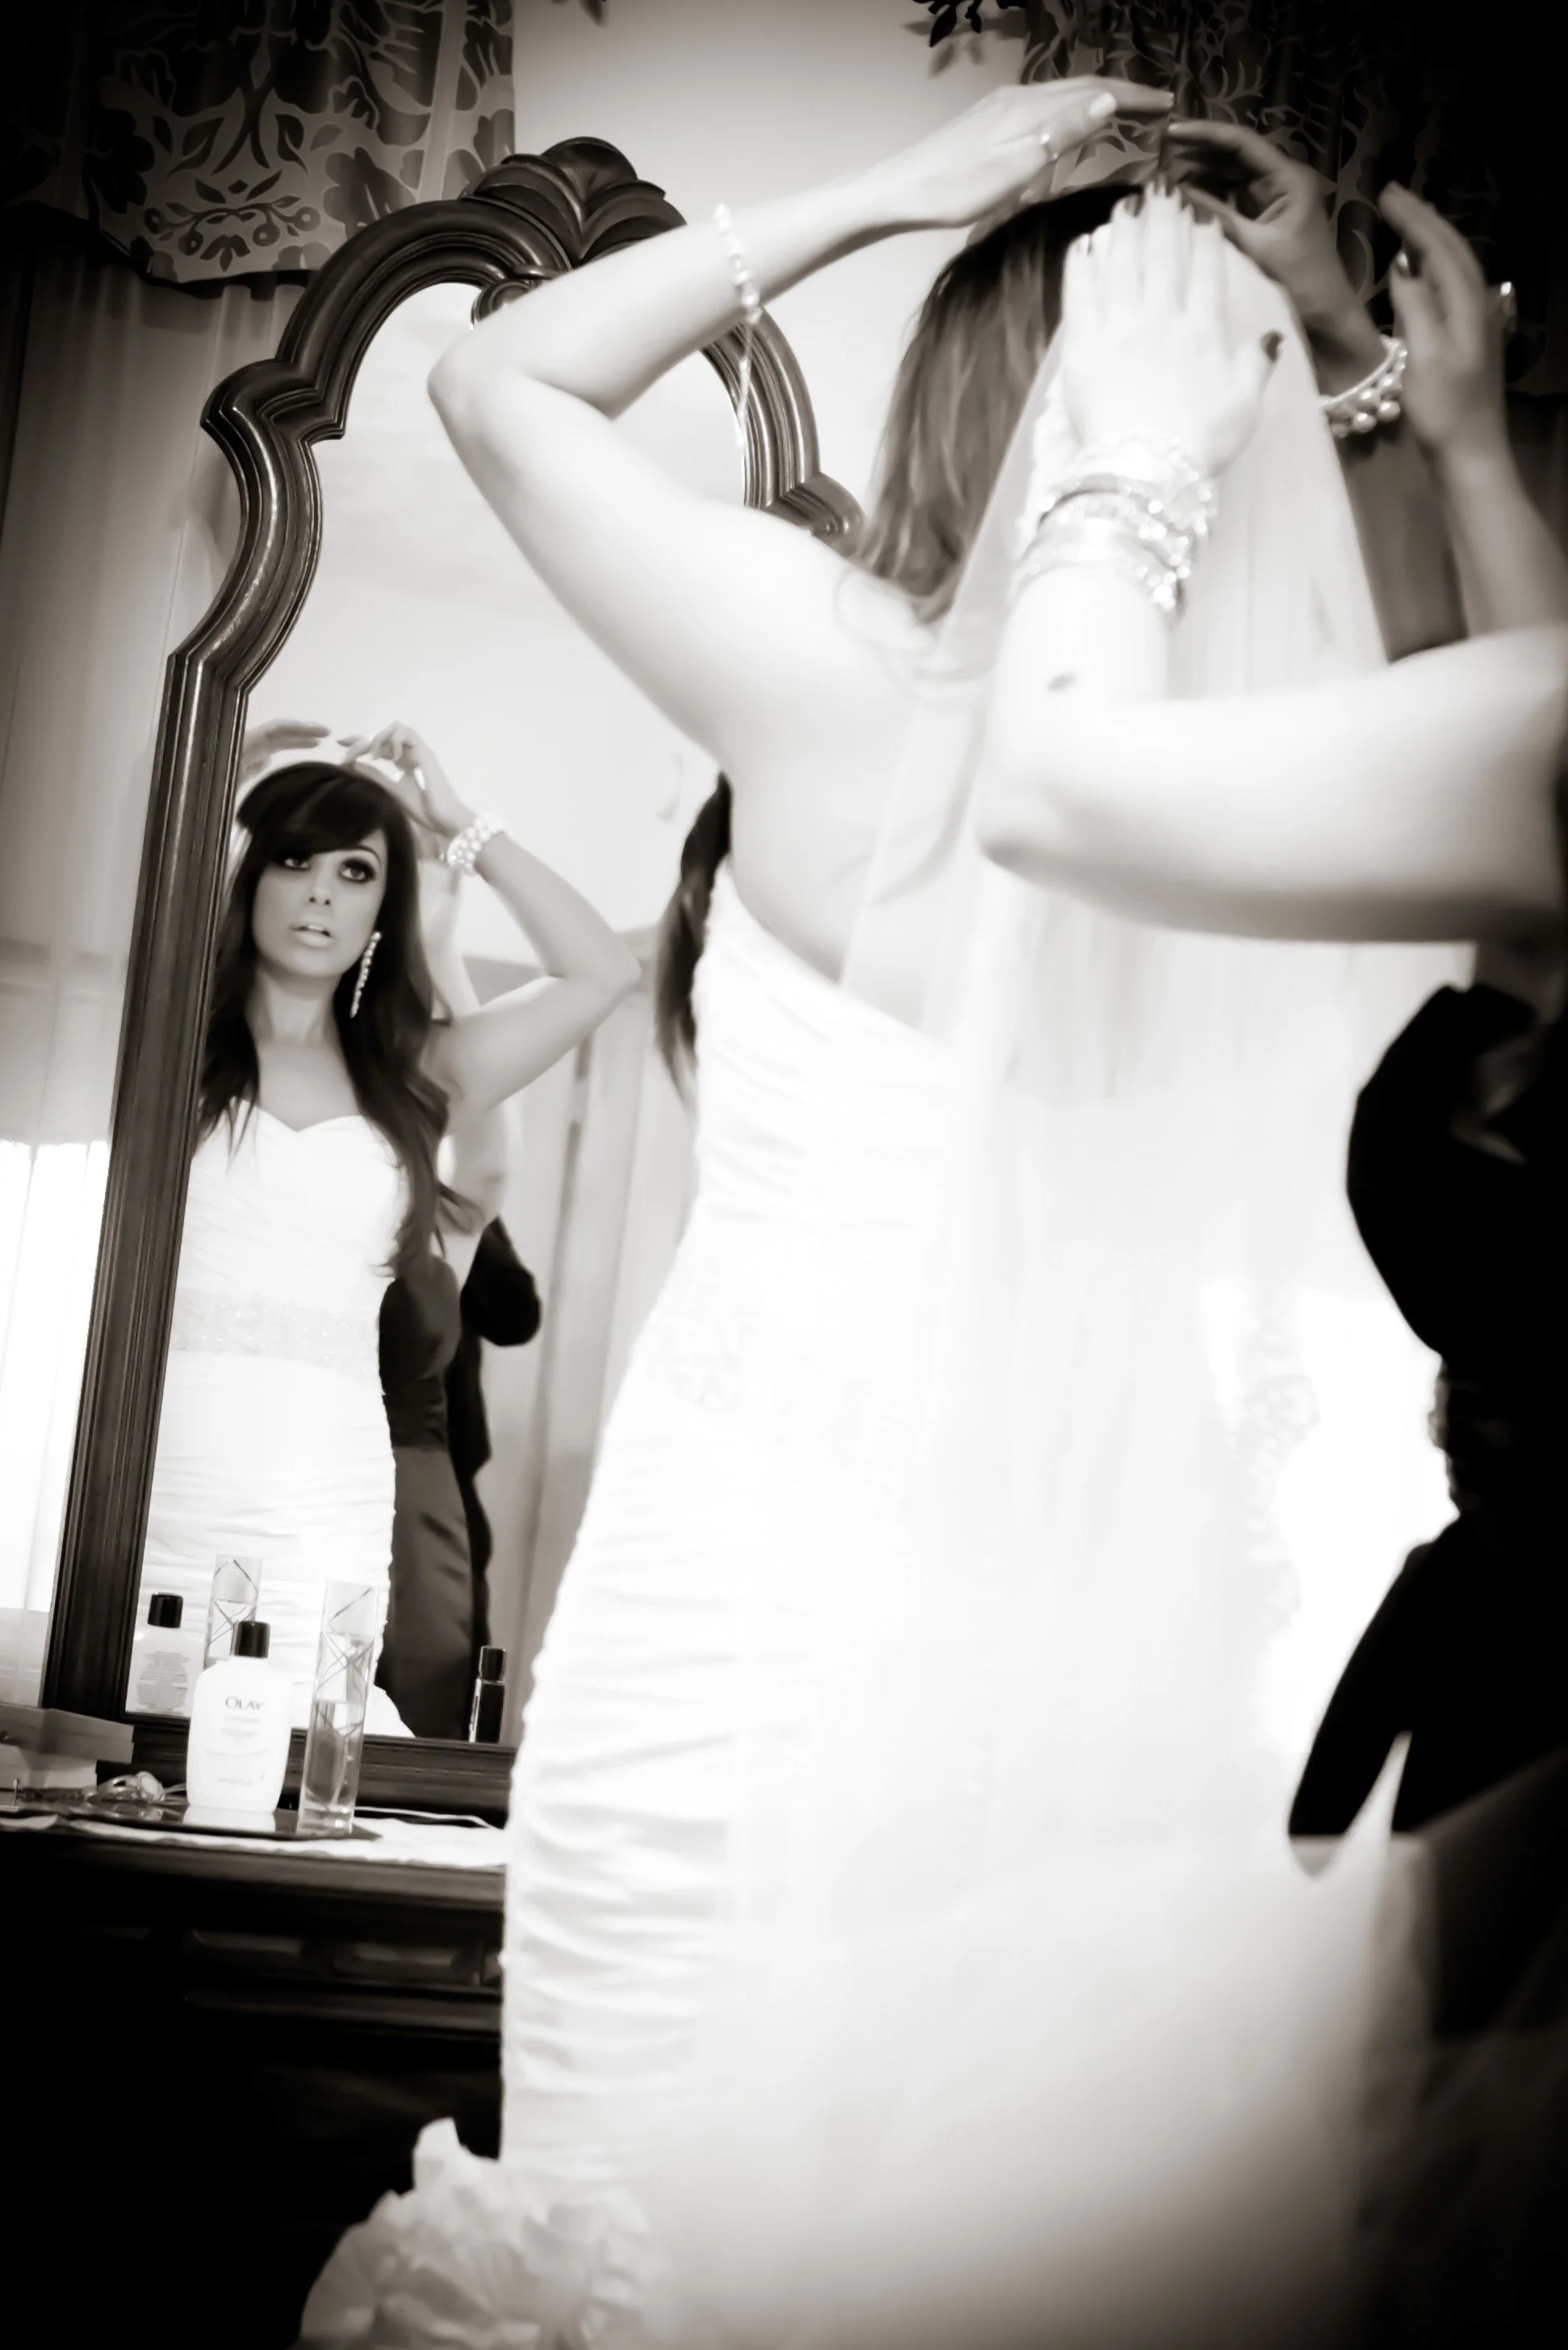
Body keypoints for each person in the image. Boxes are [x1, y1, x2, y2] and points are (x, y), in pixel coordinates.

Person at [299, 83, 1445, 2350]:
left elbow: (492, 377)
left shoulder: (829, 679)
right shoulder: (1260, 822)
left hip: (728, 1616)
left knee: (612, 2246)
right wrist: (1399, 406)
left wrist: (878, 187)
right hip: (1068, 1649)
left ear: (954, 394)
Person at [138, 726, 638, 1733]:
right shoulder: (161, 1037)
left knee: (301, 1761)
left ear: (383, 906)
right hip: (154, 1460)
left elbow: (600, 973)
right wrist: (224, 788)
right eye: (294, 859)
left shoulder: (418, 1068)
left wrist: (459, 826)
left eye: (356, 870)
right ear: (249, 876)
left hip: (328, 1476)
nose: (322, 890)